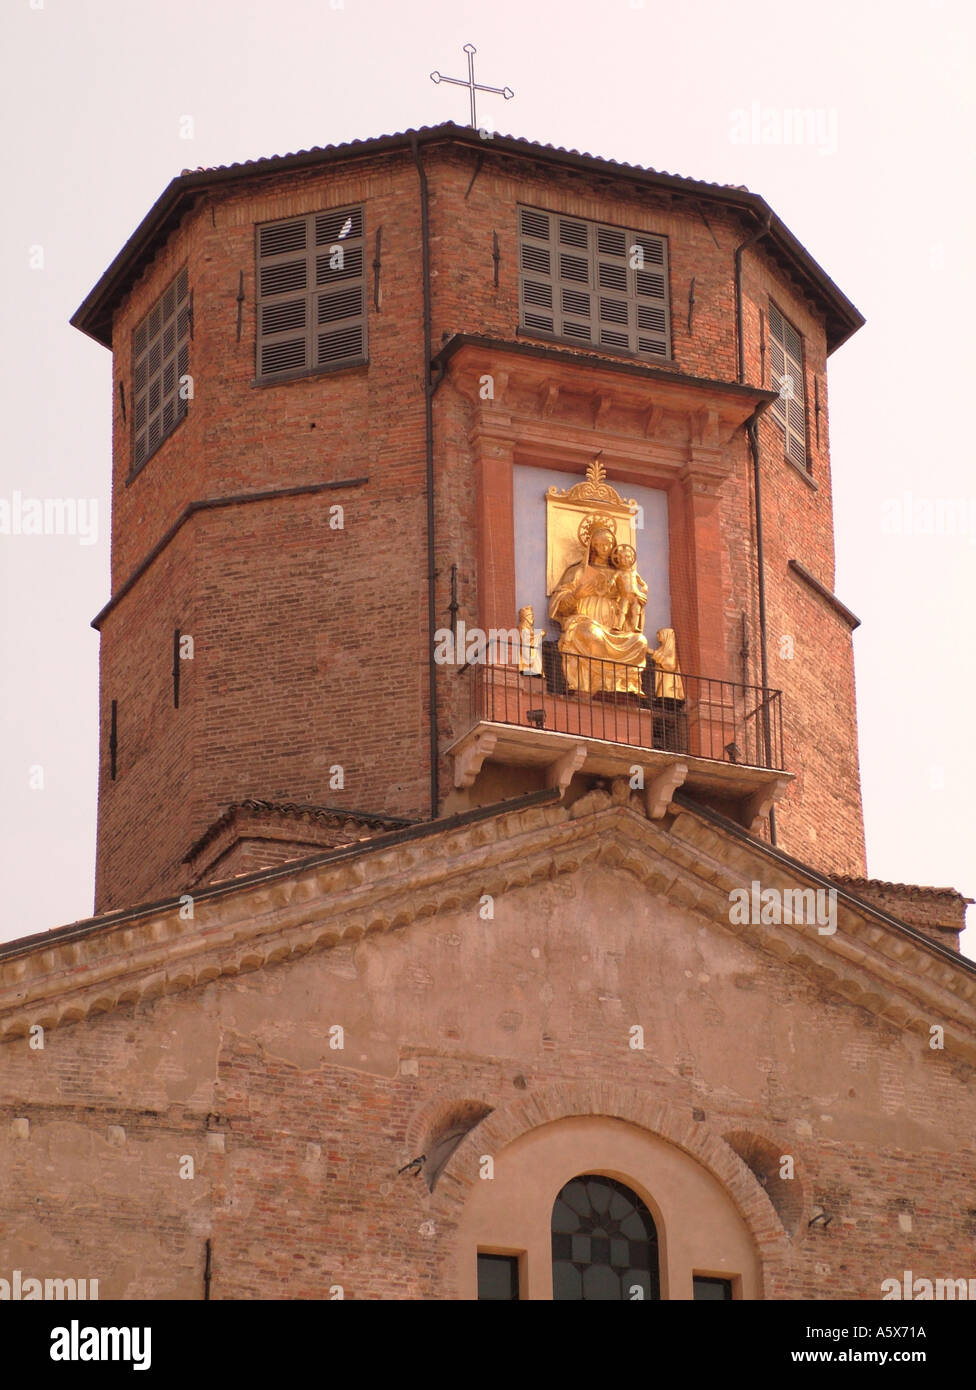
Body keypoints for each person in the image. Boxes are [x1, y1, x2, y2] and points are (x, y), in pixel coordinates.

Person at [548, 521, 648, 693]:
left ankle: (621, 687)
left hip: (615, 629)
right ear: (592, 546)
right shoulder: (578, 571)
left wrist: (638, 600)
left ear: (614, 546)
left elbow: (631, 603)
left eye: (608, 543)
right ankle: (593, 684)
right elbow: (559, 606)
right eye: (599, 544)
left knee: (640, 641)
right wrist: (576, 595)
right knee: (591, 634)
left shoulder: (622, 573)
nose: (603, 547)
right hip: (586, 621)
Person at [609, 542, 647, 633]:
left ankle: (635, 627)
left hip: (635, 596)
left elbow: (642, 582)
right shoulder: (619, 572)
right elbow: (613, 579)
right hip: (624, 596)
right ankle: (619, 626)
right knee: (623, 610)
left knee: (636, 611)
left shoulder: (634, 572)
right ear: (618, 559)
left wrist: (644, 587)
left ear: (632, 558)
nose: (625, 560)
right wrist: (612, 582)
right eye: (622, 558)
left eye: (627, 557)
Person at [650, 628, 684, 700]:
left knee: (665, 693)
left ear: (666, 636)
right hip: (661, 677)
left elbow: (671, 666)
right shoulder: (661, 649)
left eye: (660, 634)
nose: (658, 636)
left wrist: (653, 653)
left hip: (668, 679)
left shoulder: (671, 650)